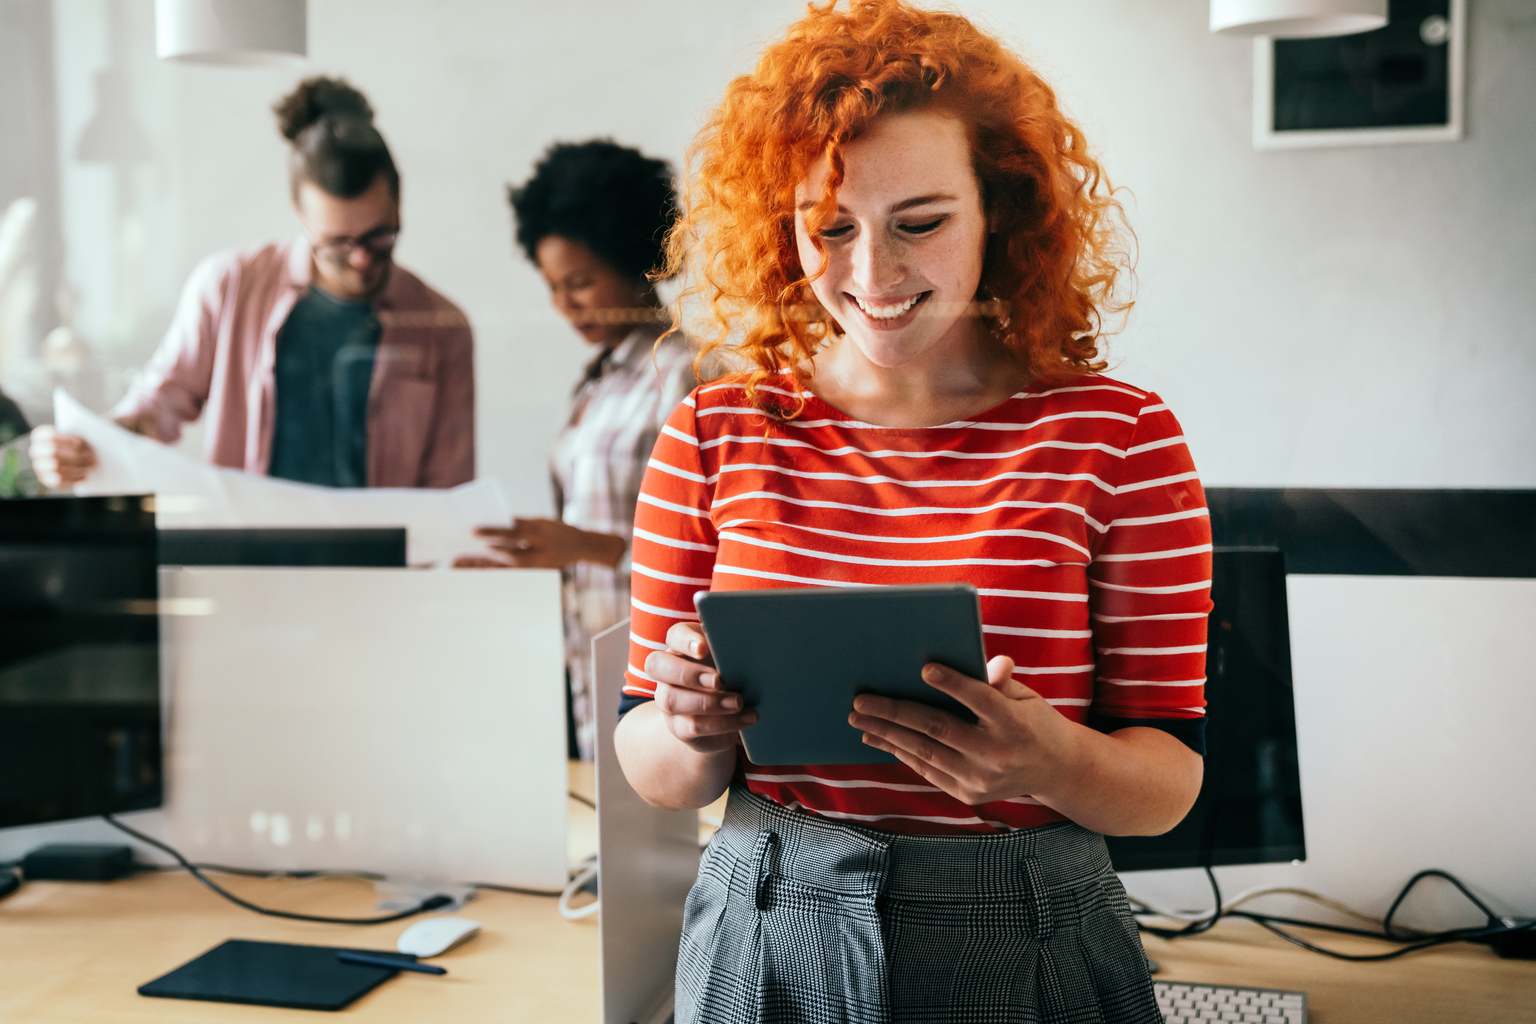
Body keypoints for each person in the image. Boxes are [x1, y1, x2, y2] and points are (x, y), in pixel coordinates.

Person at [614, 3, 1211, 1021]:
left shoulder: (1121, 437)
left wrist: (1050, 757)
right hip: (767, 922)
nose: (872, 275)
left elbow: (1168, 784)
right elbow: (657, 770)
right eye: (830, 229)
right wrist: (688, 722)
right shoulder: (716, 431)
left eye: (920, 224)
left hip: (1031, 931)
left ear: (1000, 212)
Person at [29, 77, 473, 491]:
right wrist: (83, 447)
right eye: (337, 243)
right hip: (242, 562)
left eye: (380, 237)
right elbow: (156, 408)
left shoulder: (442, 328)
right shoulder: (229, 286)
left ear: (399, 200)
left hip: (387, 573)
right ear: (299, 213)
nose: (360, 258)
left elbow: (450, 497)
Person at [464, 141, 695, 762]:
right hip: (590, 663)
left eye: (581, 282)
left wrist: (585, 548)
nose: (564, 304)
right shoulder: (593, 387)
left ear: (634, 260)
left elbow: (712, 557)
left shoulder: (685, 375)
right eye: (552, 286)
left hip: (666, 672)